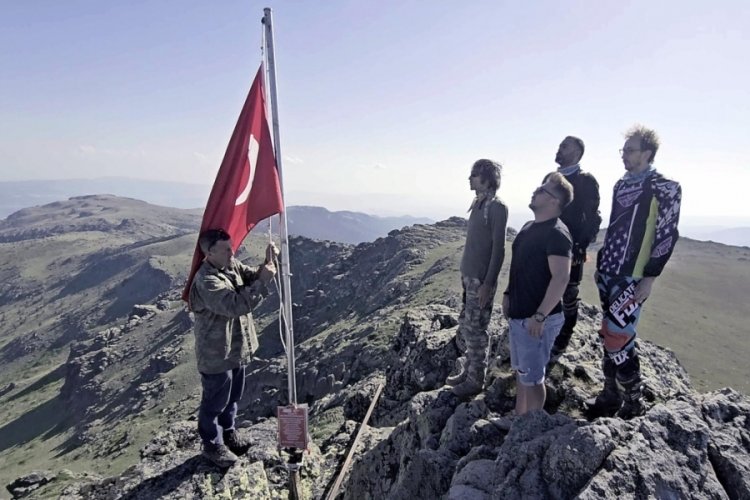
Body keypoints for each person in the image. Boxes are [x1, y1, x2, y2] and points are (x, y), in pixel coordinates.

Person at [585, 125, 681, 419]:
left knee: (618, 336)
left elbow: (667, 234)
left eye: (630, 150)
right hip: (609, 272)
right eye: (623, 150)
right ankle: (610, 395)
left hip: (634, 275)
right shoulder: (621, 184)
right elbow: (615, 227)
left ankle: (634, 402)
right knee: (608, 335)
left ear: (647, 153)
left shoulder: (665, 187)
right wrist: (601, 264)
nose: (624, 155)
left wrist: (650, 277)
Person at [189, 228, 279, 467]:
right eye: (227, 249)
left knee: (233, 397)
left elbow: (251, 277)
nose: (233, 252)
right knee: (215, 401)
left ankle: (228, 433)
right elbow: (235, 305)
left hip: (237, 349)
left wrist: (268, 262)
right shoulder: (206, 280)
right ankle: (212, 445)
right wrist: (264, 281)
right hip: (217, 353)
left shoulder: (230, 265)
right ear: (210, 252)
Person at [502, 173, 573, 415]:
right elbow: (519, 265)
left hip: (537, 320)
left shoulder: (557, 233)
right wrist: (508, 293)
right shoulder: (529, 227)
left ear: (554, 201)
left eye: (542, 190)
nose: (535, 191)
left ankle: (530, 427)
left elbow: (562, 277)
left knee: (533, 379)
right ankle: (519, 420)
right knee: (523, 373)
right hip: (521, 315)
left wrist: (540, 316)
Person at [448, 159, 508, 398]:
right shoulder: (479, 203)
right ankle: (469, 370)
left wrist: (489, 283)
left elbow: (499, 249)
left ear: (486, 178)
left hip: (480, 281)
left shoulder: (496, 207)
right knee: (467, 323)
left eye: (474, 175)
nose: (470, 179)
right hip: (469, 277)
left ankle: (475, 380)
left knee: (476, 328)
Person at [547, 136, 602, 359]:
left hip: (571, 249)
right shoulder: (550, 178)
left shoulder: (585, 181)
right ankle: (548, 329)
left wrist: (581, 246)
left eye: (564, 146)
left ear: (578, 152)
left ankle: (564, 336)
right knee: (545, 288)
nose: (559, 149)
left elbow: (593, 217)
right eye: (559, 145)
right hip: (546, 246)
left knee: (568, 294)